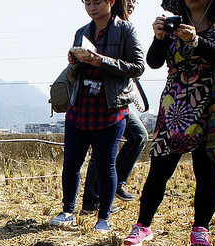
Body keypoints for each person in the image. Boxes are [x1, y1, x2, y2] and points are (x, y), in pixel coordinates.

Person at [124, 0, 215, 246]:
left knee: (206, 168)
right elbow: (154, 62)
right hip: (175, 99)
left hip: (212, 98)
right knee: (160, 166)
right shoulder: (174, 20)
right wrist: (159, 38)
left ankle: (201, 229)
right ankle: (143, 226)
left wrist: (196, 42)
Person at [48, 0, 145, 234]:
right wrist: (74, 63)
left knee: (106, 165)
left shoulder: (125, 30)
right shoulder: (82, 32)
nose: (92, 7)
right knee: (71, 164)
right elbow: (74, 73)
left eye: (97, 2)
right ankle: (68, 211)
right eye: (87, 2)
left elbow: (138, 67)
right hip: (80, 104)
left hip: (110, 107)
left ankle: (103, 218)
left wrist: (101, 61)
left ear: (111, 1)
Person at [81, 0, 148, 213]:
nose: (133, 6)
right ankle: (96, 196)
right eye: (130, 2)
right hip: (103, 99)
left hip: (119, 97)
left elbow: (135, 65)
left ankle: (104, 191)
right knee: (108, 147)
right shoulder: (97, 29)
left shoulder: (123, 28)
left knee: (136, 138)